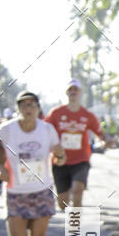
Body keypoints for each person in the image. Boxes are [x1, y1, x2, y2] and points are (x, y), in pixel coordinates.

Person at [0, 91, 66, 236]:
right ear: (18, 108)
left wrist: (61, 155)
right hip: (16, 193)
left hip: (42, 191)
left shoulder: (47, 130)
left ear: (38, 108)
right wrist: (0, 169)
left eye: (32, 104)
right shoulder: (6, 130)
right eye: (24, 105)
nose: (28, 108)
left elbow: (60, 157)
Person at [45, 79, 104, 210]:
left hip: (81, 160)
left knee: (78, 193)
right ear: (66, 92)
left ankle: (75, 223)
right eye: (70, 90)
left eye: (75, 90)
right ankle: (67, 203)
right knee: (63, 203)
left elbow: (100, 132)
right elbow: (43, 129)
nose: (73, 92)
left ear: (80, 92)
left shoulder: (87, 115)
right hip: (60, 161)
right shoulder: (56, 113)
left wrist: (106, 140)